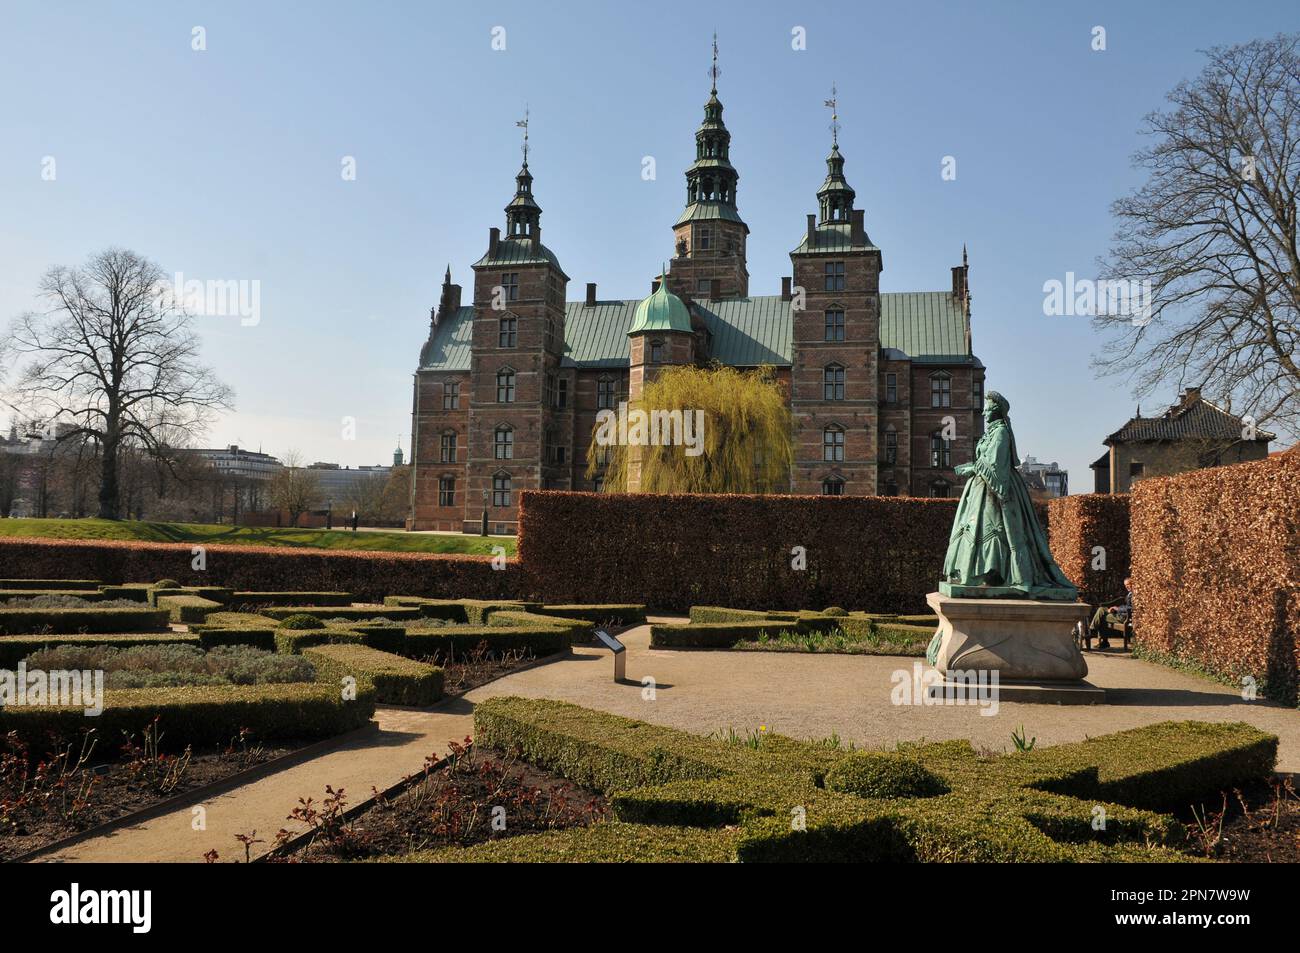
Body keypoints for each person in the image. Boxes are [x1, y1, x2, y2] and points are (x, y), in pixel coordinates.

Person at [941, 391, 1076, 598]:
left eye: (986, 410)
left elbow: (996, 468)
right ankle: (982, 574)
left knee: (999, 531)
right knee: (977, 529)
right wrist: (972, 467)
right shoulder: (992, 433)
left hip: (996, 492)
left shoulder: (1001, 433)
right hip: (981, 490)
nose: (983, 413)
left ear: (995, 411)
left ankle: (1002, 575)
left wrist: (972, 469)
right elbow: (986, 461)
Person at [1088, 577, 1132, 649]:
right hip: (1122, 615)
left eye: (1129, 584)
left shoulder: (1134, 594)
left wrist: (1117, 609)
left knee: (1102, 616)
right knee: (1101, 609)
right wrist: (1115, 609)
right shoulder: (1130, 594)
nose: (1127, 586)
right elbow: (1127, 606)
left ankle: (1094, 632)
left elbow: (1131, 608)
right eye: (1126, 585)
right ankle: (1095, 632)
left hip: (1124, 617)